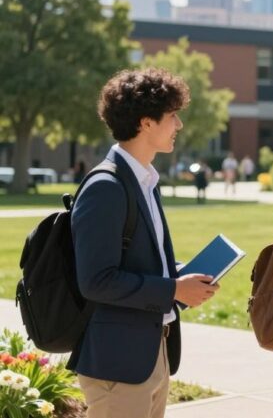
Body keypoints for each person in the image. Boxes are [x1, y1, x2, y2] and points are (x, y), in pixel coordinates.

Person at [70, 68, 219, 418]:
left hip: (152, 351)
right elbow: (96, 281)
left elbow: (137, 261)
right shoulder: (106, 186)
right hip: (118, 364)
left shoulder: (145, 180)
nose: (178, 125)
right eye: (171, 116)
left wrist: (183, 276)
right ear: (146, 123)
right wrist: (173, 290)